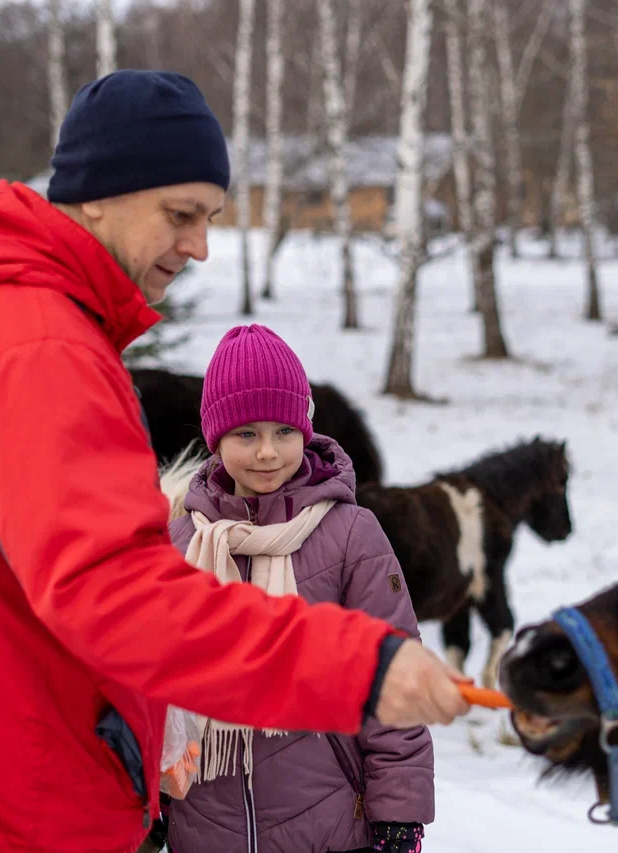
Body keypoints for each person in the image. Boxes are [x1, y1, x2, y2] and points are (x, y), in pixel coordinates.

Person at [0, 69, 468, 853]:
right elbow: (115, 591)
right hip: (20, 801)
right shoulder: (38, 346)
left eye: (210, 219)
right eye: (180, 215)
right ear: (98, 193)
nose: (200, 247)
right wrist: (358, 667)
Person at [164, 324, 433, 853]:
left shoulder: (350, 535)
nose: (267, 452)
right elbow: (153, 690)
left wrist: (399, 817)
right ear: (216, 438)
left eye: (284, 431)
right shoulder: (181, 544)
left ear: (305, 430)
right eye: (246, 434)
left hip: (329, 827)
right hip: (203, 831)